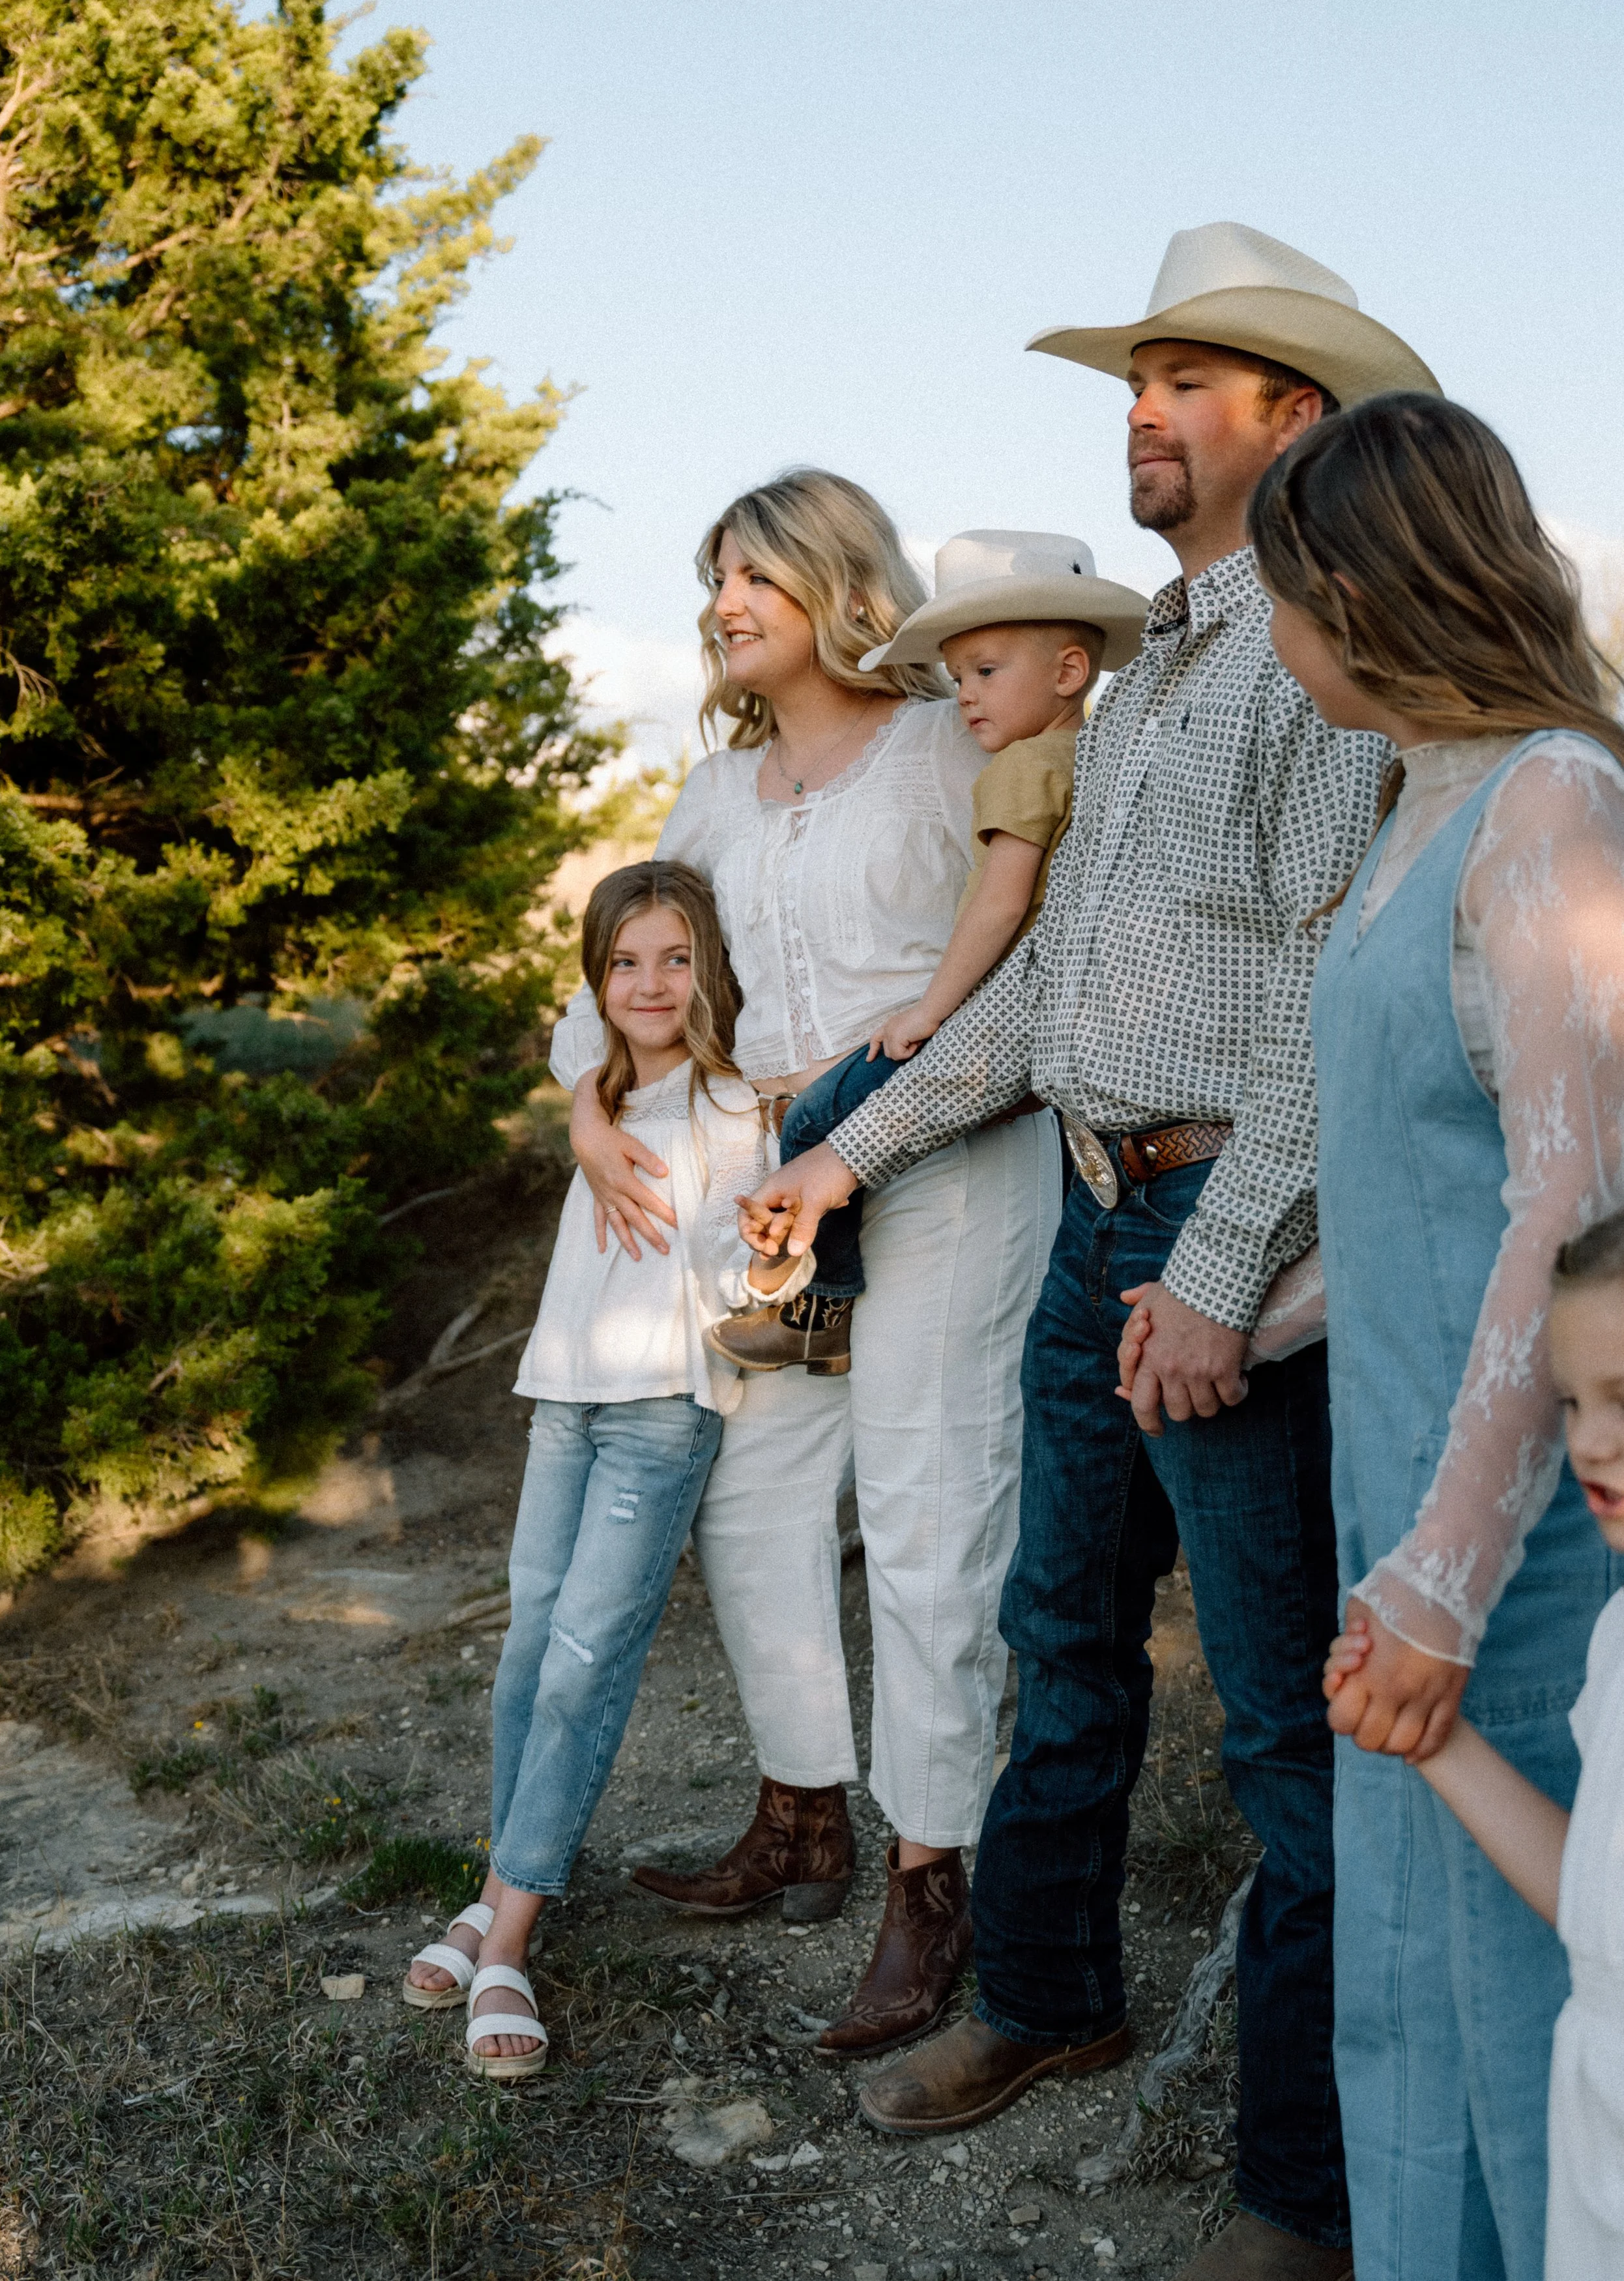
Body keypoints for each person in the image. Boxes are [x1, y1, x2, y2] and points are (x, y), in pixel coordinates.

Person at [738, 225, 1436, 2280]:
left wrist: (1217, 1272)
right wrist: (843, 1160)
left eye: (1178, 380)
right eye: (1126, 382)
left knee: (1278, 1736)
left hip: (1241, 1245)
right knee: (1059, 1642)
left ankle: (1301, 2194)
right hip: (1085, 1218)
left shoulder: (1327, 661)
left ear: (1288, 422)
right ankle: (1045, 1998)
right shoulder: (1130, 690)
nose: (1133, 410)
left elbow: (1336, 992)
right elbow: (1042, 1002)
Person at [549, 469, 1063, 2057]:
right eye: (714, 581)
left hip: (949, 1175)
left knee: (924, 1521)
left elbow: (1023, 955)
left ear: (838, 584)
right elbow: (629, 968)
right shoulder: (715, 794)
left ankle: (930, 1876)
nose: (721, 607)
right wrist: (581, 1109)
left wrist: (862, 1102)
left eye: (752, 577)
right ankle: (801, 1812)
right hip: (776, 1216)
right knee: (754, 1502)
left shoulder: (939, 747)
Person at [1241, 392, 1624, 2281]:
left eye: (1284, 595)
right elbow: (1428, 1166)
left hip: (1506, 1543)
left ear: (1369, 590)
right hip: (1384, 1489)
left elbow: (1566, 1204)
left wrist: (1447, 1579)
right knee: (1397, 1991)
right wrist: (1256, 1304)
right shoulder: (1418, 798)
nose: (1274, 634)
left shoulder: (1551, 797)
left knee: (1513, 2005)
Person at [401, 861, 808, 2076]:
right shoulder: (598, 1091)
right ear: (599, 977)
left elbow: (752, 1275)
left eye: (676, 959)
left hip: (663, 1413)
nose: (649, 983)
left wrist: (772, 1260)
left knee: (585, 1661)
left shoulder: (736, 1107)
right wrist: (587, 1112)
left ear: (710, 973)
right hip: (560, 1400)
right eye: (626, 961)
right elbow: (575, 1035)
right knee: (531, 1644)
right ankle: (498, 1885)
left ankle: (511, 1940)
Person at [710, 529, 1146, 1369]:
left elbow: (999, 900)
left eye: (985, 673)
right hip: (1055, 1034)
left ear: (1067, 673)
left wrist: (928, 1010)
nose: (966, 698)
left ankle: (821, 1303)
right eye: (956, 678)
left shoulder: (1022, 771)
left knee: (816, 1119)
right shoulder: (1098, 755)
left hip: (980, 1018)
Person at [1324, 1206, 1624, 2280]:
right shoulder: (1616, 1638)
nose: (1591, 1441)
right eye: (1574, 1403)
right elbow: (1598, 1906)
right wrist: (1432, 1747)